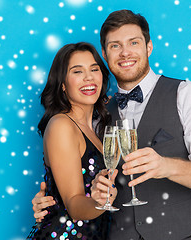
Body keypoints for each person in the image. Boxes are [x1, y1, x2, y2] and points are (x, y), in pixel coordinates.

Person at [32, 10, 191, 240]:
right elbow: (79, 183)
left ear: (148, 47)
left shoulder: (187, 94)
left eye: (133, 42)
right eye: (115, 45)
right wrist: (53, 204)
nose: (125, 52)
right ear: (105, 54)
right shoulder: (97, 116)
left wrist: (165, 165)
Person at [27, 42, 119, 240]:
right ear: (62, 83)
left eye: (94, 69)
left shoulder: (95, 128)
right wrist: (99, 201)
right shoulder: (62, 125)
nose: (89, 77)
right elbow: (75, 205)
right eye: (77, 72)